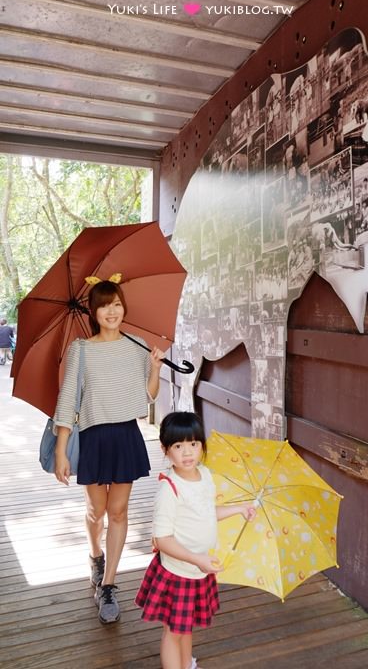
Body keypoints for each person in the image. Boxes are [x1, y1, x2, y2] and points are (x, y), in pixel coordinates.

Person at [54, 277, 165, 624]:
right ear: (93, 311)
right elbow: (67, 401)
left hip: (125, 436)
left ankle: (109, 584)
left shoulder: (137, 346)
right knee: (95, 511)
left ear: (123, 306)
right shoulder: (81, 350)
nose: (112, 311)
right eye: (104, 305)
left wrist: (155, 369)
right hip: (93, 437)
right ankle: (95, 554)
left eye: (116, 303)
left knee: (118, 513)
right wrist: (61, 450)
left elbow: (147, 397)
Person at [135, 412, 256, 669]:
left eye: (194, 444)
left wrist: (239, 509)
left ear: (202, 446)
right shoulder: (170, 488)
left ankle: (187, 664)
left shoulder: (205, 475)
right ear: (165, 450)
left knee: (185, 626)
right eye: (178, 446)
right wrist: (196, 558)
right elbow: (162, 538)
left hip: (198, 570)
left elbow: (207, 513)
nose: (187, 452)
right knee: (173, 631)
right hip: (178, 571)